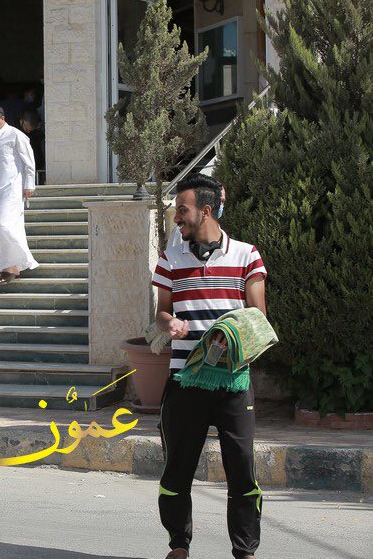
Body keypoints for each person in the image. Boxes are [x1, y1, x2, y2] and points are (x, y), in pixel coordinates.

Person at [151, 174, 266, 559]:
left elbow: (258, 319)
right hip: (185, 382)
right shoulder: (170, 258)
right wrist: (169, 323)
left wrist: (229, 339)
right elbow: (161, 312)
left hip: (234, 383)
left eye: (181, 210)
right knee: (177, 469)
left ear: (205, 210)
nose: (176, 218)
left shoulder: (246, 256)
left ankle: (245, 550)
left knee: (242, 468)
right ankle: (178, 545)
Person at [0, 105, 39, 283]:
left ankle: (18, 264)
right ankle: (6, 267)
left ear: (2, 119)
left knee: (5, 225)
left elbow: (29, 163)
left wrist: (29, 185)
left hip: (12, 189)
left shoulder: (16, 135)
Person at [167, 185, 226, 251]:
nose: (220, 205)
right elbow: (173, 254)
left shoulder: (221, 234)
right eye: (217, 200)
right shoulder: (181, 231)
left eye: (222, 201)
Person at [19, 110, 46, 185]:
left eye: (29, 130)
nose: (28, 132)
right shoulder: (19, 134)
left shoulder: (36, 134)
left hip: (35, 162)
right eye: (27, 129)